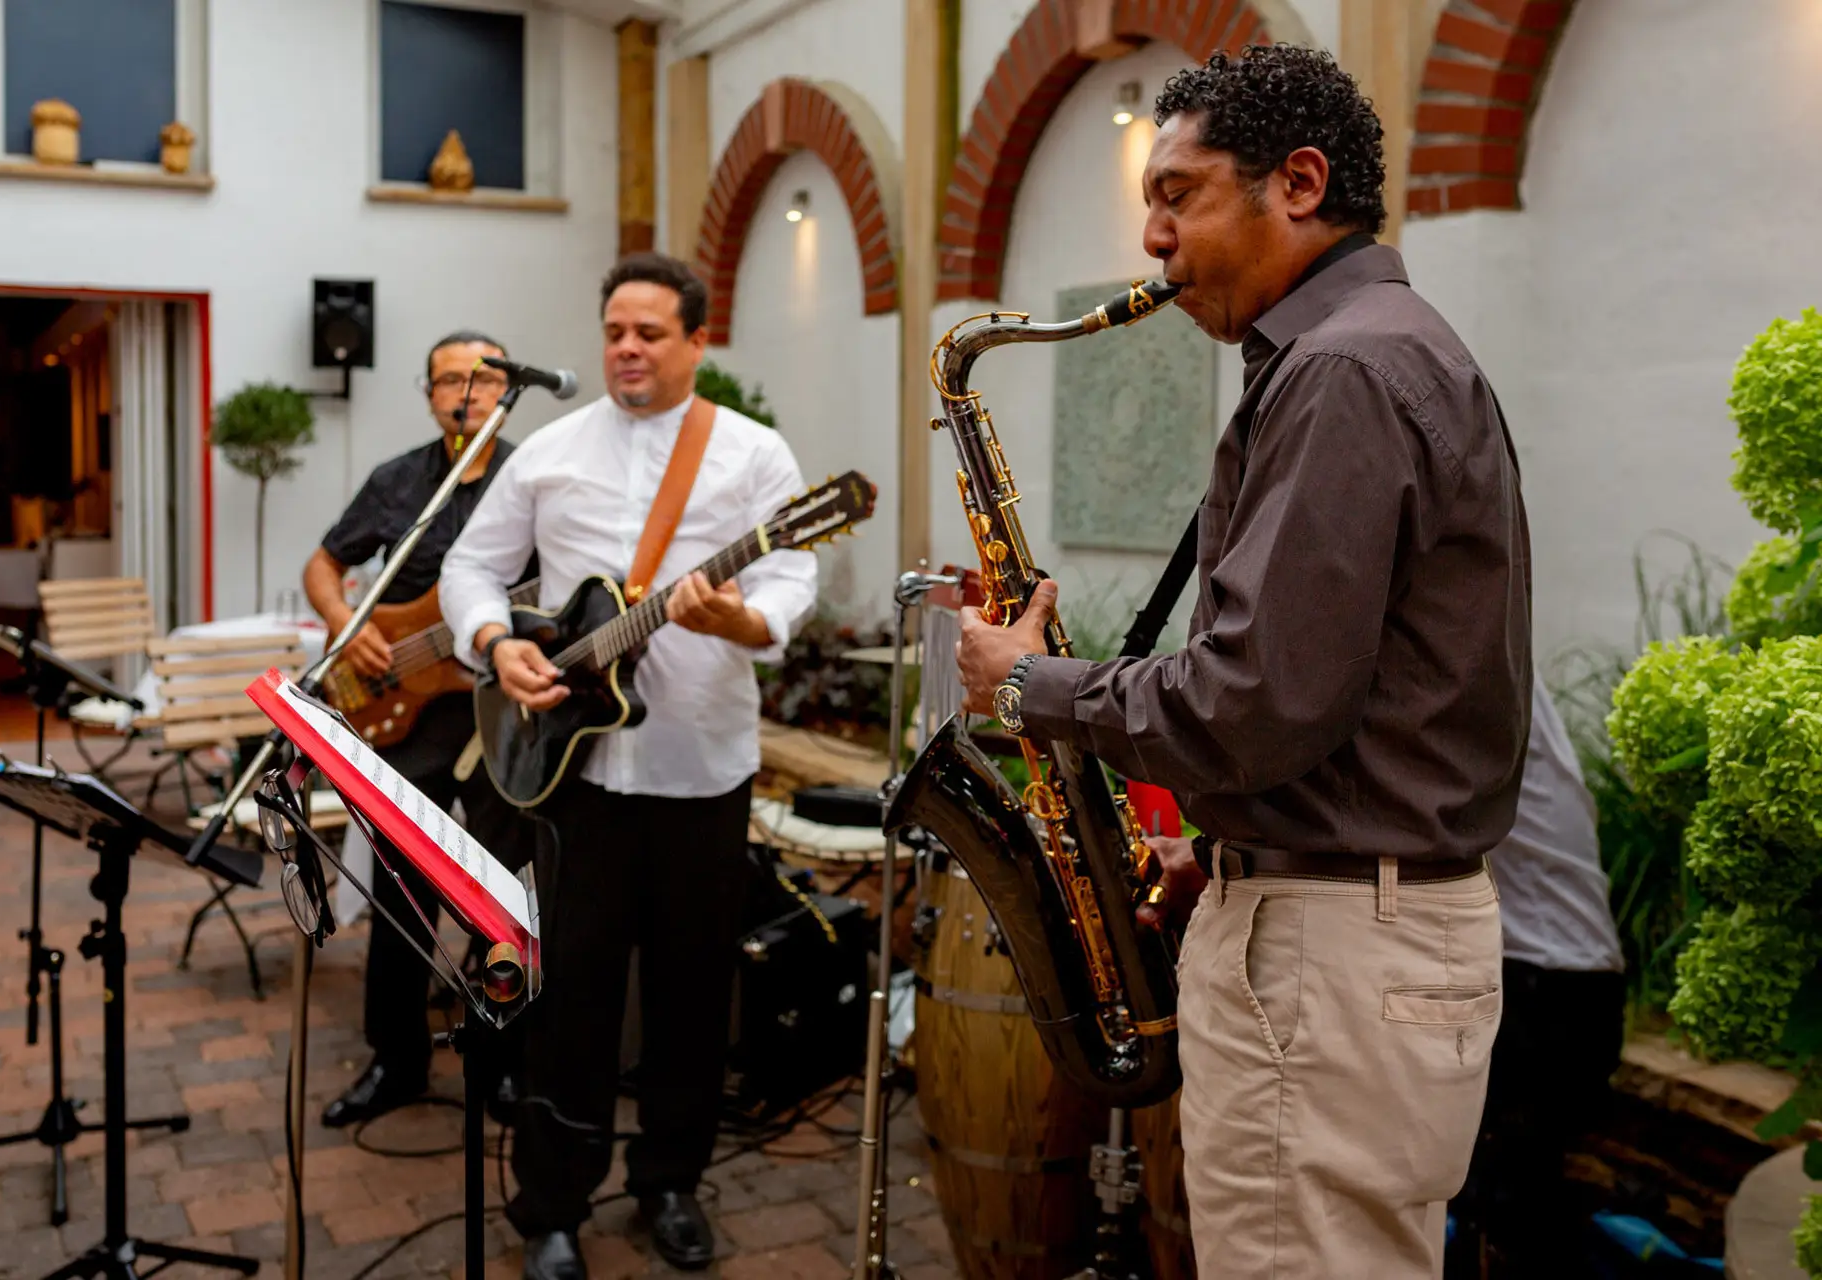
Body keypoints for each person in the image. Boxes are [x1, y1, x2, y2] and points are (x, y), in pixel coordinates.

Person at [954, 46, 1531, 1279]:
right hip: (1354, 927)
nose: (1153, 240)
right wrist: (1226, 841)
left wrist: (1023, 683)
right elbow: (1323, 701)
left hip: (1333, 951)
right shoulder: (1380, 350)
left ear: (1301, 183)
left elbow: (1249, 705)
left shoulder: (1341, 371)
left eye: (1180, 195)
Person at [439, 252, 818, 1280]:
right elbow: (470, 566)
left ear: (699, 340)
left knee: (695, 991)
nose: (626, 347)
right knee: (572, 997)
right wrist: (492, 640)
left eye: (650, 331)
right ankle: (552, 1203)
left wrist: (739, 612)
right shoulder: (551, 451)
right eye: (614, 329)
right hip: (574, 777)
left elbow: (791, 578)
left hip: (702, 765)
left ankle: (669, 1181)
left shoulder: (752, 456)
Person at [305, 329, 533, 1128]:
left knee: (508, 897)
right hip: (405, 710)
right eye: (448, 381)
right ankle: (396, 1060)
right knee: (403, 894)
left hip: (508, 713)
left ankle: (506, 1062)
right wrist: (344, 621)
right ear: (429, 393)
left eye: (482, 379)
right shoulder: (398, 481)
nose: (466, 392)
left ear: (508, 390)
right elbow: (324, 564)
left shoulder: (539, 476)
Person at [1447, 669, 1626, 1277]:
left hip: (1546, 985)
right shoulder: (1496, 663)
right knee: (1516, 1203)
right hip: (1575, 982)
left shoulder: (1482, 682)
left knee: (1500, 1209)